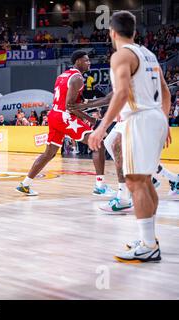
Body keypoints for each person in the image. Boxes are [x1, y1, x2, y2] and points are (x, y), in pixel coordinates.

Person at [88, 11, 170, 263]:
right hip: (155, 117)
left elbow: (122, 93)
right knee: (143, 180)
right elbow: (166, 92)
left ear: (112, 32)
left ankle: (147, 244)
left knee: (135, 181)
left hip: (140, 119)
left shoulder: (121, 55)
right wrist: (164, 122)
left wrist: (101, 127)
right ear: (133, 31)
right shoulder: (149, 54)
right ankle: (149, 240)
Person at [16, 51, 114, 196]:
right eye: (86, 60)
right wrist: (90, 119)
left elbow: (71, 102)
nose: (89, 63)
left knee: (48, 154)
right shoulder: (78, 78)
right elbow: (70, 106)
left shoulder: (63, 75)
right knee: (97, 143)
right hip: (64, 116)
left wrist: (86, 111)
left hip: (55, 115)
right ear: (78, 61)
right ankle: (100, 186)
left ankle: (25, 184)